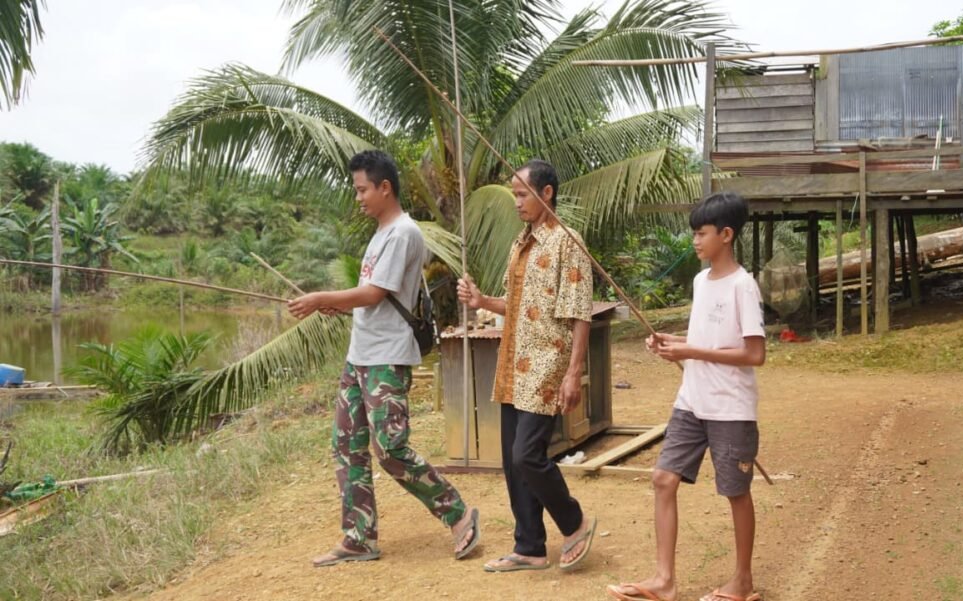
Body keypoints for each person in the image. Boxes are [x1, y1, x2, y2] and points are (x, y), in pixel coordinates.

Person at [288, 150, 480, 567]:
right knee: (347, 446)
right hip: (360, 356)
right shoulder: (380, 234)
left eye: (362, 189)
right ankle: (358, 537)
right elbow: (374, 297)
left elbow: (375, 294)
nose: (358, 197)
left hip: (385, 359)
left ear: (384, 187)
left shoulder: (403, 233)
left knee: (390, 448)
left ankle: (458, 512)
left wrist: (323, 297)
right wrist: (341, 305)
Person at [607, 192, 766, 601]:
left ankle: (743, 581)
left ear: (726, 235)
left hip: (730, 408)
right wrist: (671, 343)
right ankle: (664, 581)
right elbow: (704, 340)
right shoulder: (700, 280)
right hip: (691, 401)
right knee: (663, 479)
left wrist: (689, 351)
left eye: (702, 233)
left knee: (735, 492)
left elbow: (754, 353)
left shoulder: (743, 286)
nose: (694, 240)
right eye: (693, 232)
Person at [456, 159, 597, 573]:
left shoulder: (567, 242)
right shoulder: (521, 243)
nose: (515, 202)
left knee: (527, 455)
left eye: (521, 194)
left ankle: (574, 523)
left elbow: (579, 313)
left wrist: (573, 372)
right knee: (511, 459)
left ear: (546, 193)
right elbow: (514, 307)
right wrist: (481, 302)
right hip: (512, 364)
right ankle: (530, 546)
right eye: (514, 194)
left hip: (547, 365)